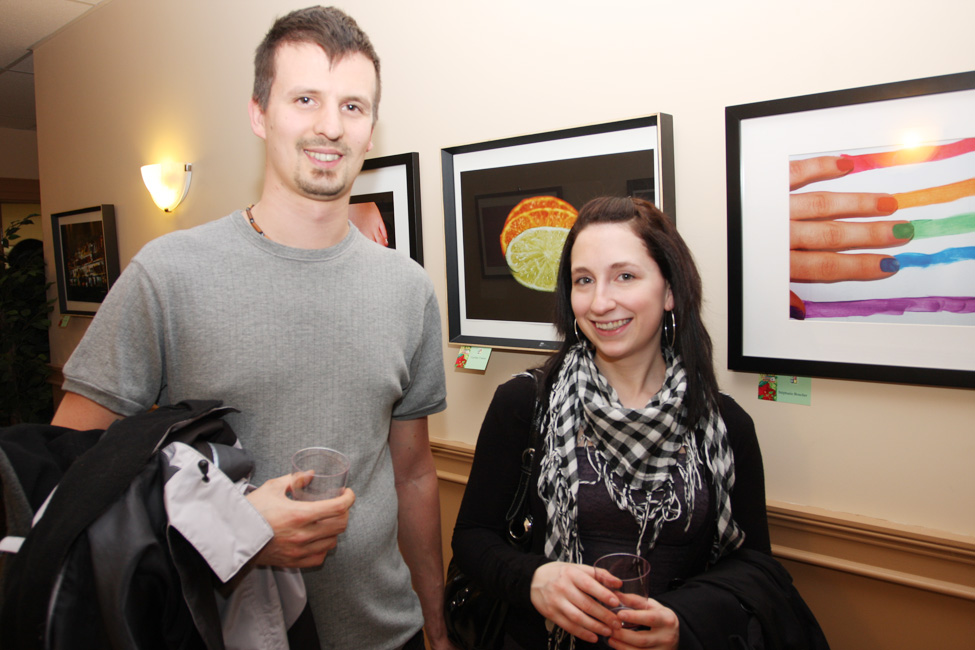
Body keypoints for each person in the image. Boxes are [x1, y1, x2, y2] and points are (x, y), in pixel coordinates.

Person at [51, 6, 453, 649]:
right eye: (305, 99)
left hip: (389, 635)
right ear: (259, 114)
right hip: (227, 634)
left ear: (371, 128)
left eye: (353, 106)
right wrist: (229, 524)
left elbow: (413, 474)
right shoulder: (169, 274)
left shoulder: (407, 289)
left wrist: (435, 627)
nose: (330, 126)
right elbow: (64, 473)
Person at [452, 197, 789, 649]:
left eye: (624, 276)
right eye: (583, 281)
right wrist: (535, 578)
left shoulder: (725, 423)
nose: (600, 302)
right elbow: (472, 538)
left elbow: (754, 565)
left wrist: (682, 621)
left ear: (669, 291)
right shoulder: (525, 403)